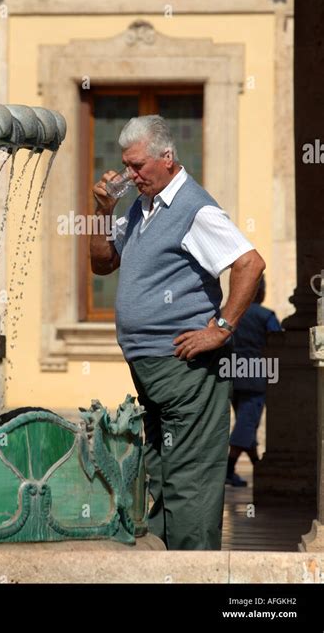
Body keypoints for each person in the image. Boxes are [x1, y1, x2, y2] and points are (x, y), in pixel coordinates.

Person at [90, 115, 266, 550]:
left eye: (137, 167)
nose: (129, 176)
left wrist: (221, 328)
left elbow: (250, 263)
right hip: (152, 370)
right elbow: (101, 263)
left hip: (189, 370)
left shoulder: (195, 208)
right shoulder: (141, 207)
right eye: (126, 166)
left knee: (190, 483)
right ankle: (168, 572)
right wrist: (101, 211)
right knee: (162, 477)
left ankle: (196, 576)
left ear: (167, 158)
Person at [226, 275, 282, 486]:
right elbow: (278, 341)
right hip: (255, 375)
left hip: (231, 373)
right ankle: (228, 470)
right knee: (247, 423)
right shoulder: (265, 315)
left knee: (245, 421)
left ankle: (258, 467)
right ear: (260, 292)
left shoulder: (227, 314)